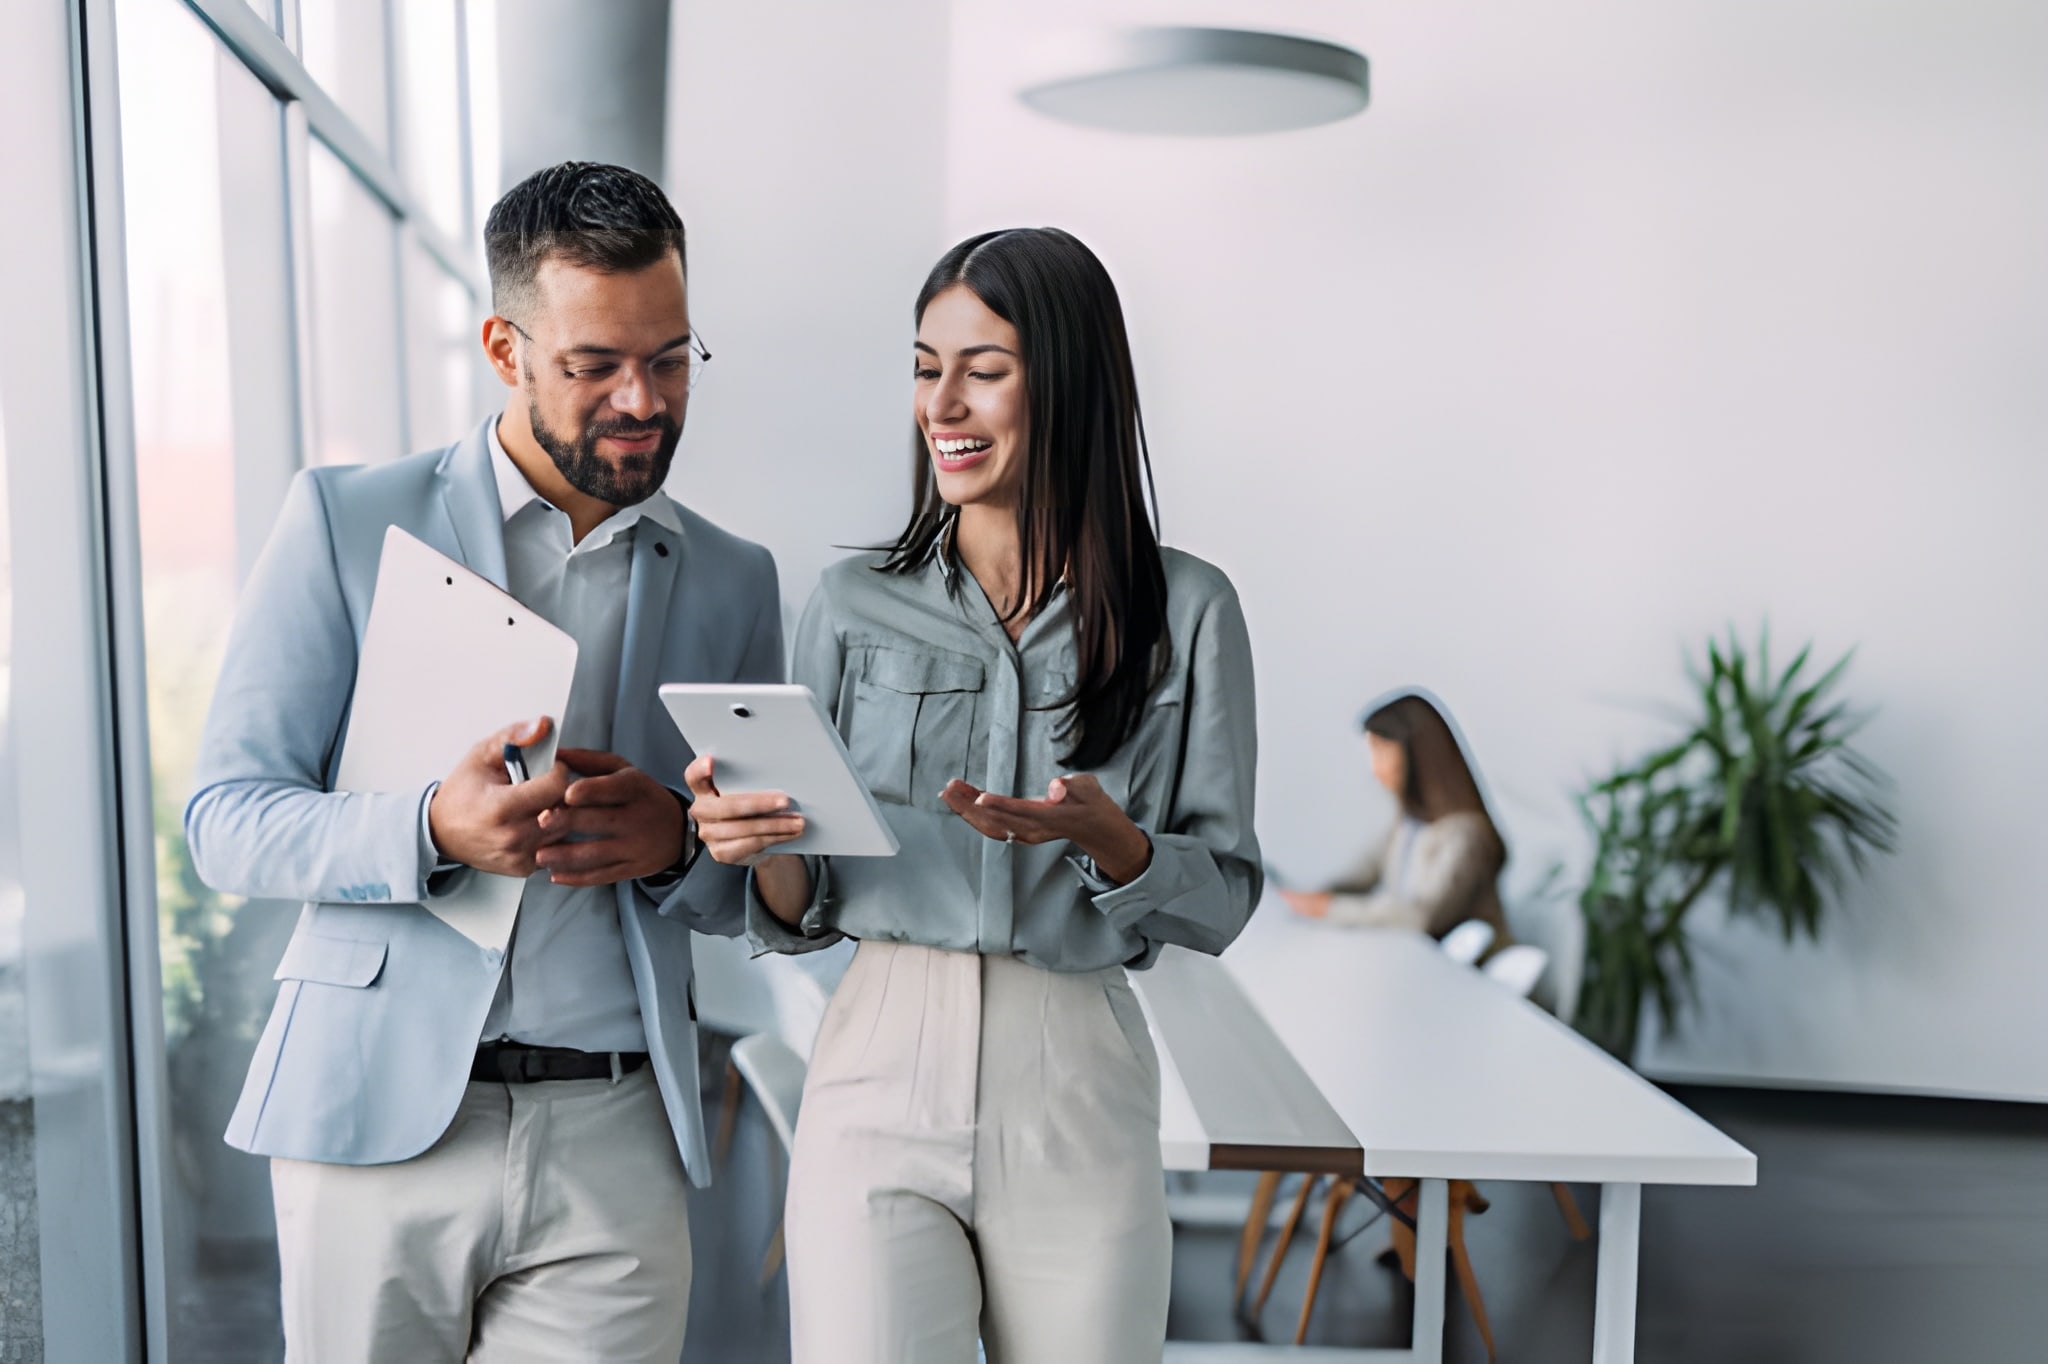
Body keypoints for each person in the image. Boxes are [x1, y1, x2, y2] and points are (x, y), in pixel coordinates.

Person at [184, 161, 782, 1362]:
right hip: (376, 1120)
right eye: (594, 364)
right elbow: (226, 818)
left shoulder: (733, 577)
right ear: (505, 349)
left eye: (669, 358)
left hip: (617, 1136)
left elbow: (757, 883)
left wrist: (676, 842)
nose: (642, 399)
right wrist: (428, 828)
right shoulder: (347, 520)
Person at [686, 227, 1262, 1363]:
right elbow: (810, 905)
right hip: (875, 1059)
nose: (940, 402)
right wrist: (755, 839)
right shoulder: (850, 602)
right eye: (922, 365)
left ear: (1071, 383)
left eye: (983, 369)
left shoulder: (1188, 610)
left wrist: (1119, 847)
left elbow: (1225, 895)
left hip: (1075, 1074)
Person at [1281, 691, 1511, 943]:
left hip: (1468, 972)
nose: (1374, 767)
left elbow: (1424, 917)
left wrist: (1328, 909)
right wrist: (1309, 899)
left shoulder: (1467, 834)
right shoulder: (1408, 826)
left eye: (1380, 750)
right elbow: (1361, 877)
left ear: (1418, 753)